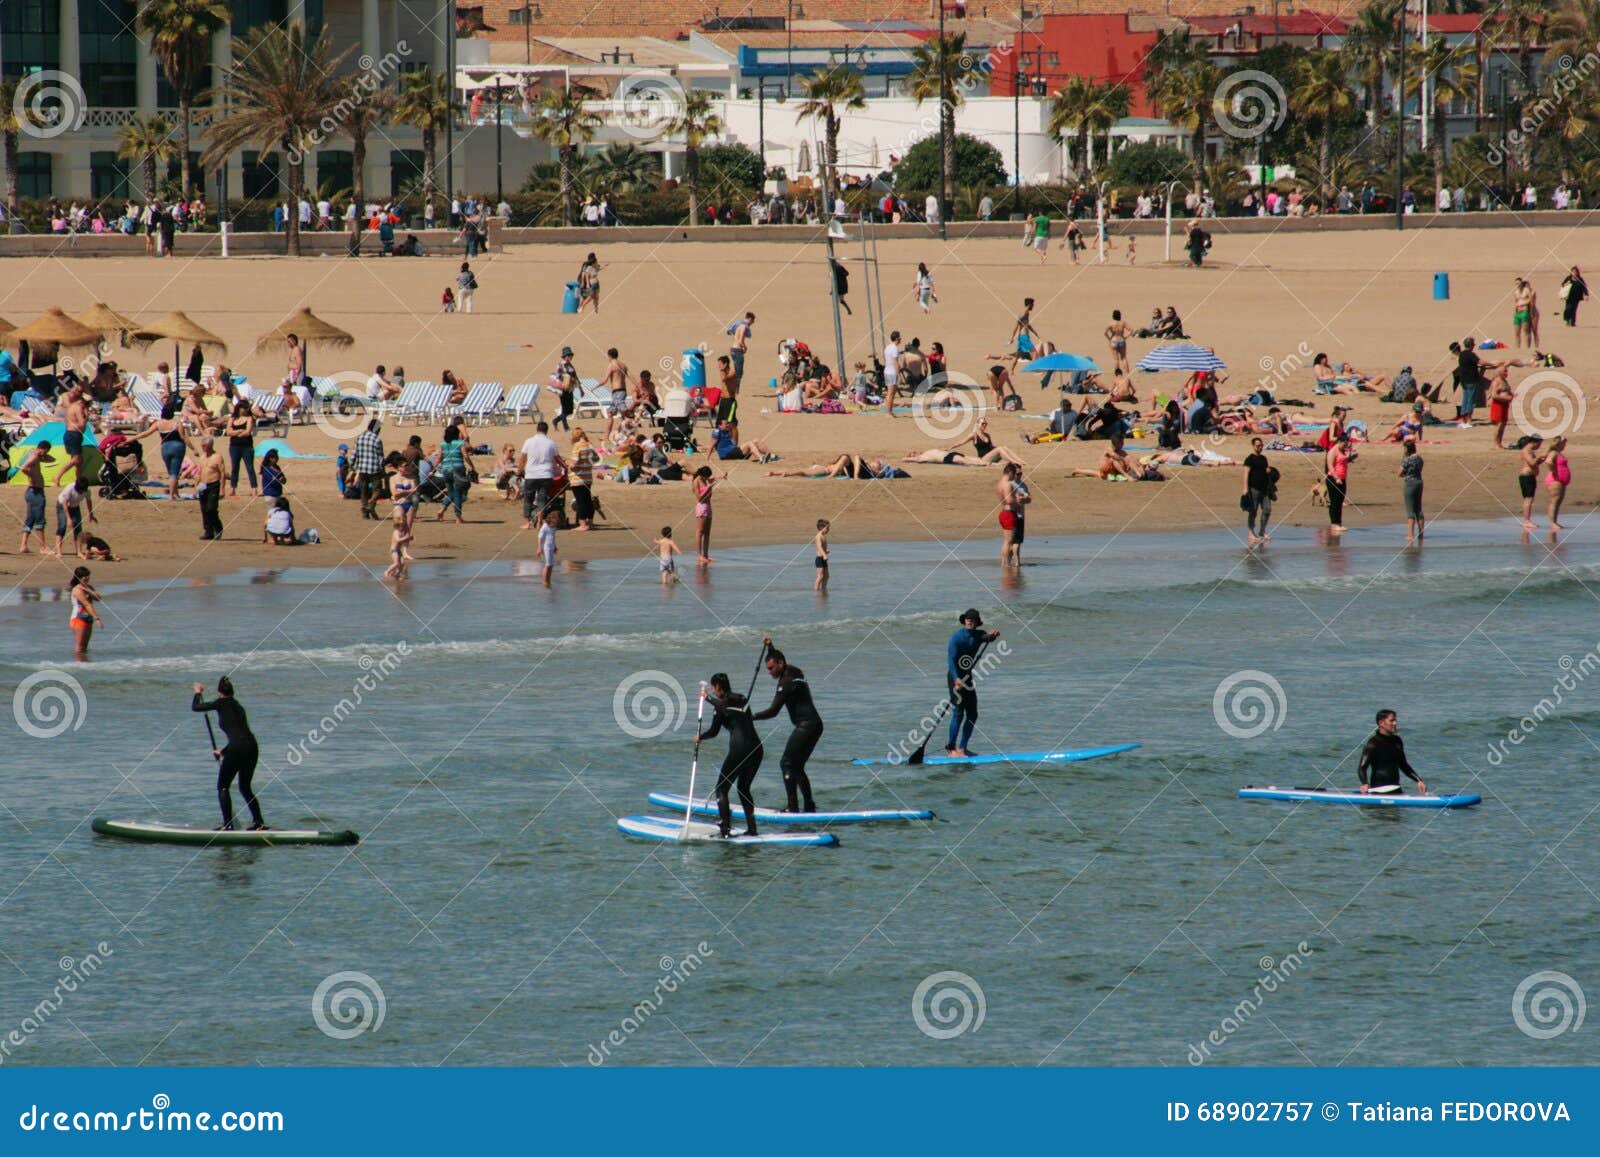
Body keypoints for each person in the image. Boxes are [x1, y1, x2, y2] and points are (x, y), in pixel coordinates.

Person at [751, 640, 822, 813]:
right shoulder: (795, 671)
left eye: (771, 668)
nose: (769, 672)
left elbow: (773, 711)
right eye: (767, 668)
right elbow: (779, 657)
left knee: (786, 763)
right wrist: (770, 647)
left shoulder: (786, 682)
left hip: (806, 726)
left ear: (780, 664)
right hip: (816, 725)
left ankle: (793, 807)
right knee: (797, 766)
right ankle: (809, 806)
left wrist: (751, 717)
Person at [193, 677, 265, 831]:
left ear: (220, 693)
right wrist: (223, 751)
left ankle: (228, 826)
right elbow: (241, 734)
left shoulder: (220, 703)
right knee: (245, 787)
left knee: (223, 787)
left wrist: (198, 693)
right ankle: (259, 822)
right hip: (251, 747)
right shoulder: (238, 706)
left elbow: (196, 707)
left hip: (237, 748)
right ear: (232, 692)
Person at [698, 673, 763, 838]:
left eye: (713, 687)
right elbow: (727, 705)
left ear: (718, 687)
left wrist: (700, 737)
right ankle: (752, 828)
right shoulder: (742, 698)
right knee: (743, 788)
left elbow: (713, 732)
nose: (713, 690)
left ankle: (725, 830)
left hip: (740, 750)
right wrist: (709, 699)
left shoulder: (720, 706)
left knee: (721, 789)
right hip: (757, 749)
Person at [946, 609, 1000, 758]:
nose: (970, 621)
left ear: (976, 622)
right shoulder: (956, 638)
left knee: (973, 714)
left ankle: (962, 748)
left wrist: (993, 635)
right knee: (958, 713)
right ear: (964, 621)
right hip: (955, 677)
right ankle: (951, 750)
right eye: (968, 619)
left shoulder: (978, 634)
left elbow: (986, 638)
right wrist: (956, 679)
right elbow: (951, 660)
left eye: (973, 619)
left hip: (968, 678)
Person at [1357, 709, 1426, 796]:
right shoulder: (1372, 743)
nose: (1395, 723)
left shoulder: (1397, 741)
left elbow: (1403, 765)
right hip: (1378, 791)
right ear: (1381, 722)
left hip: (1396, 789)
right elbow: (1362, 768)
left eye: (1395, 720)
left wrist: (1418, 780)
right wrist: (1364, 783)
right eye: (1391, 720)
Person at [518, 420, 562, 529]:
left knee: (528, 499)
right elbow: (557, 459)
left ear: (537, 429)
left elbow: (522, 459)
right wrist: (566, 467)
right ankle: (539, 522)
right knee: (542, 500)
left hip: (531, 475)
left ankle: (527, 523)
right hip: (546, 475)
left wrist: (519, 471)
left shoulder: (529, 441)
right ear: (546, 431)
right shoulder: (551, 443)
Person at [433, 422, 475, 523]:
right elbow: (465, 455)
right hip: (458, 468)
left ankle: (442, 509)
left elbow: (439, 458)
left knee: (451, 492)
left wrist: (433, 469)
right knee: (458, 494)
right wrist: (471, 465)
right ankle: (458, 517)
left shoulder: (443, 444)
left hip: (446, 470)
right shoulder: (459, 443)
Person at [16, 442, 51, 553]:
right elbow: (24, 468)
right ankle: (42, 547)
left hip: (32, 492)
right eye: (46, 451)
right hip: (36, 492)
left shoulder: (34, 454)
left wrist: (44, 455)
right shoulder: (35, 456)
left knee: (30, 519)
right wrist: (33, 477)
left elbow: (51, 460)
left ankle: (23, 545)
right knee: (40, 520)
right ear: (43, 449)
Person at [1242, 437, 1276, 546]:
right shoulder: (1249, 459)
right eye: (1258, 446)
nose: (1260, 447)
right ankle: (1251, 532)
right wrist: (1245, 488)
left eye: (1261, 445)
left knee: (1267, 509)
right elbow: (1245, 473)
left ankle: (1262, 530)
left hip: (1265, 489)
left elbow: (1266, 470)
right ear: (1253, 446)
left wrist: (1269, 471)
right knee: (1253, 511)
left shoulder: (1264, 458)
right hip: (1254, 489)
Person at [352, 419, 386, 520]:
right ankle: (371, 505)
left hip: (362, 469)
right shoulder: (377, 440)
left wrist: (352, 466)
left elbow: (354, 454)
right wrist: (383, 470)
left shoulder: (360, 438)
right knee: (377, 489)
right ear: (377, 428)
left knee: (364, 491)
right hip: (374, 469)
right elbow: (380, 457)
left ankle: (364, 512)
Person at [998, 463, 1029, 566]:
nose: (1015, 476)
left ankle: (1004, 563)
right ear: (1010, 472)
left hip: (1004, 512)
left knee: (1007, 541)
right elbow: (1009, 500)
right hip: (1009, 513)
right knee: (1009, 541)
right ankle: (1005, 564)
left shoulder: (999, 484)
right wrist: (1018, 503)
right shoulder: (1007, 484)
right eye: (1015, 473)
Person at [68, 566, 104, 658]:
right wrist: (97, 618)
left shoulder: (89, 587)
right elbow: (87, 604)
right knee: (80, 647)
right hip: (78, 619)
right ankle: (78, 664)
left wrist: (88, 590)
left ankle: (84, 663)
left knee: (85, 647)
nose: (87, 578)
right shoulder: (77, 590)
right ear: (79, 577)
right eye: (85, 576)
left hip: (88, 618)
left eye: (88, 576)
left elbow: (98, 598)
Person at [194, 437, 225, 540]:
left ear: (210, 445)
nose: (203, 448)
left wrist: (222, 489)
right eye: (202, 446)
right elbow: (199, 472)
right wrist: (196, 484)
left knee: (211, 508)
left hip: (214, 484)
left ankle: (218, 528)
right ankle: (208, 531)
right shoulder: (202, 457)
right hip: (203, 485)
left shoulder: (217, 457)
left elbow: (223, 473)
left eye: (204, 446)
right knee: (204, 509)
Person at [693, 465, 725, 563]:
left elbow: (714, 477)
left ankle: (706, 555)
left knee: (707, 533)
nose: (708, 479)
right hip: (701, 507)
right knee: (700, 532)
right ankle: (699, 556)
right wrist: (708, 488)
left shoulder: (705, 479)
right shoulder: (696, 481)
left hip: (708, 508)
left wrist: (722, 476)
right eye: (706, 477)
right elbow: (699, 498)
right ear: (703, 475)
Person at [1325, 432, 1355, 536]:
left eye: (1347, 444)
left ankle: (1339, 523)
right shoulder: (1332, 451)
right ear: (1339, 442)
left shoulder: (1342, 450)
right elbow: (1330, 466)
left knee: (1340, 501)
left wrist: (1351, 458)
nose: (1346, 446)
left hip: (1342, 479)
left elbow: (1343, 462)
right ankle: (1334, 524)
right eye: (1344, 444)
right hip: (1333, 479)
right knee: (1334, 502)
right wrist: (1336, 478)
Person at [1397, 439, 1425, 545]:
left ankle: (1410, 535)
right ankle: (1421, 534)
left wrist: (1405, 474)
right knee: (1418, 509)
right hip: (1419, 482)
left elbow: (1399, 473)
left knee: (1410, 510)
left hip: (1410, 484)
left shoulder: (1407, 460)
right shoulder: (1420, 459)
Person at [1518, 434, 1548, 530]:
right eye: (1540, 444)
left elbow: (1534, 464)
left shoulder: (1530, 451)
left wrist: (1541, 460)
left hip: (1530, 476)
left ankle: (1527, 520)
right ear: (1535, 442)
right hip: (1526, 477)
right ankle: (1526, 521)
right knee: (1528, 499)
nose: (1539, 446)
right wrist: (1539, 458)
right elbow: (1532, 463)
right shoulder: (1526, 451)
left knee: (1529, 499)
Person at [1545, 434, 1571, 531]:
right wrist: (1554, 471)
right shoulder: (1554, 453)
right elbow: (1548, 462)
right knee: (1554, 501)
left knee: (1558, 502)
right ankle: (1552, 523)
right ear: (1560, 443)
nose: (1565, 445)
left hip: (1561, 481)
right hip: (1555, 480)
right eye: (1564, 443)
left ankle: (1554, 521)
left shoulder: (1559, 453)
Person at [729, 311, 754, 383]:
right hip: (737, 350)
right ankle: (736, 391)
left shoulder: (738, 326)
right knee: (739, 373)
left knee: (737, 371)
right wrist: (745, 347)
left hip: (733, 349)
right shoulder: (743, 327)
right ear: (749, 319)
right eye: (752, 321)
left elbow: (734, 335)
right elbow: (740, 341)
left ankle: (735, 390)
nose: (752, 323)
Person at [1105, 310, 1131, 375]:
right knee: (1124, 358)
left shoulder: (1111, 324)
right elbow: (1131, 330)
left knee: (1116, 359)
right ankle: (1127, 373)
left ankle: (1117, 374)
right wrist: (1125, 337)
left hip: (1114, 340)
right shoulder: (1123, 323)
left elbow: (1105, 333)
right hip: (1121, 340)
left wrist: (1109, 339)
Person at [538, 508, 558, 587]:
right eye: (556, 521)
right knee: (548, 564)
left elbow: (552, 537)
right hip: (546, 548)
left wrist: (555, 546)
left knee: (551, 564)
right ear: (551, 519)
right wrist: (539, 548)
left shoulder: (554, 527)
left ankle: (548, 579)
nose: (556, 523)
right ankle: (545, 581)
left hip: (551, 547)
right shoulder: (545, 526)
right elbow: (540, 537)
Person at [813, 518, 830, 592]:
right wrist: (824, 555)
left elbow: (822, 547)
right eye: (827, 528)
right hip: (819, 559)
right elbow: (819, 547)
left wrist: (826, 551)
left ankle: (823, 589)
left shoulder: (823, 536)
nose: (828, 529)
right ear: (821, 528)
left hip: (823, 558)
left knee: (826, 576)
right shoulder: (818, 536)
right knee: (820, 576)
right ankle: (816, 589)